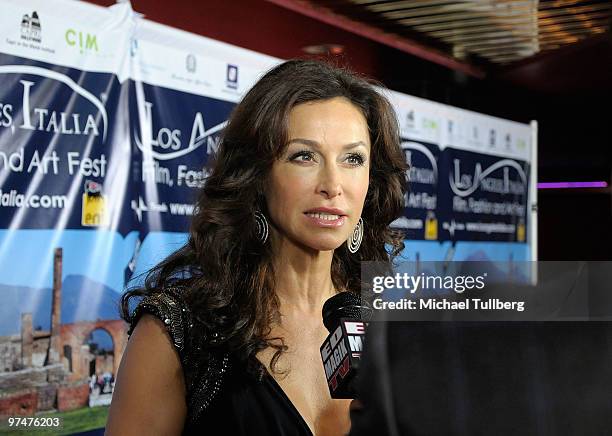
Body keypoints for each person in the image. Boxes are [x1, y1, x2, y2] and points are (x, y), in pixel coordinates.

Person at [105, 59, 408, 435]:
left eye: (352, 159)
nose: (333, 184)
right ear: (257, 175)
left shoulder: (387, 324)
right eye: (304, 156)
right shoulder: (179, 330)